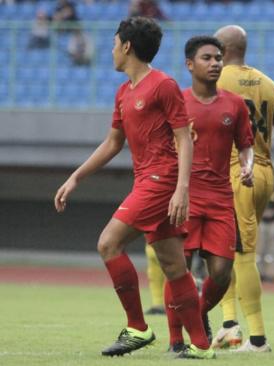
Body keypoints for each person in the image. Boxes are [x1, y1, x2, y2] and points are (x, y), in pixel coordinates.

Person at [53, 17, 212, 359]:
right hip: (148, 180)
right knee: (174, 267)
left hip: (162, 179)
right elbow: (113, 142)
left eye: (113, 44)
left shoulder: (163, 85)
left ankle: (138, 328)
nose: (111, 50)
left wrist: (182, 188)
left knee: (108, 243)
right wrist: (76, 177)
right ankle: (201, 346)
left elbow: (184, 139)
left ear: (127, 47)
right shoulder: (124, 92)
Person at [163, 35, 254, 354]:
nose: (215, 63)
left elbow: (246, 144)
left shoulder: (235, 104)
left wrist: (247, 166)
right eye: (207, 58)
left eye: (218, 57)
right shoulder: (176, 103)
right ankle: (176, 341)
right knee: (179, 269)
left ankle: (197, 315)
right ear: (190, 64)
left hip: (220, 199)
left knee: (221, 272)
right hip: (183, 196)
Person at [210, 24, 274, 353]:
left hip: (236, 173)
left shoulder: (215, 81)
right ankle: (229, 325)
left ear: (222, 50)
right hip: (264, 171)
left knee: (241, 255)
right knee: (221, 249)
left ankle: (257, 338)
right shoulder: (269, 84)